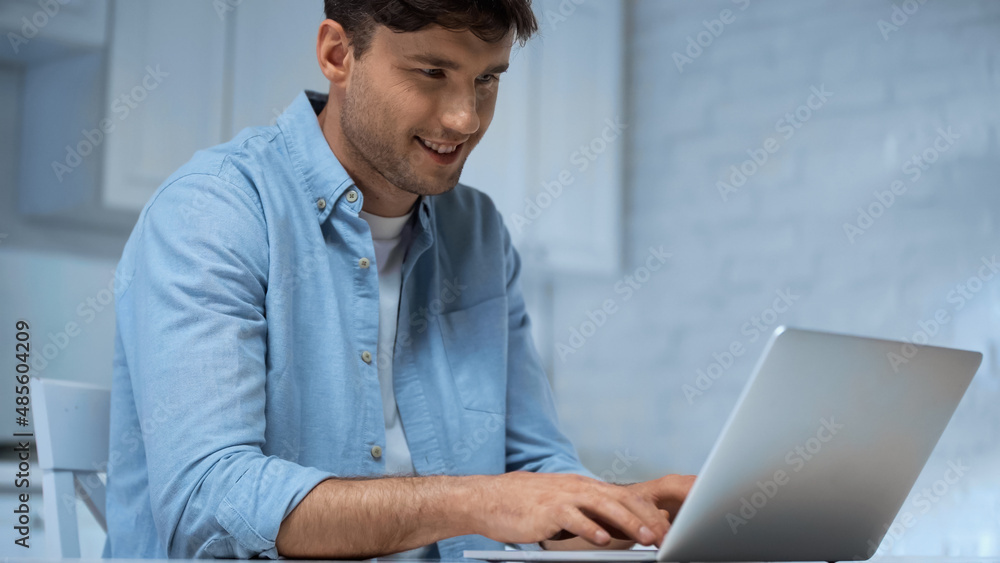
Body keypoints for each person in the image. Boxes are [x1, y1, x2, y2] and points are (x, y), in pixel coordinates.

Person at [104, 0, 694, 559]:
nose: (465, 117)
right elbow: (208, 503)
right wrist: (477, 501)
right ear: (338, 54)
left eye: (488, 79)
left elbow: (534, 469)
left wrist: (625, 512)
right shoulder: (215, 211)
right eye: (432, 72)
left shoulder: (478, 231)